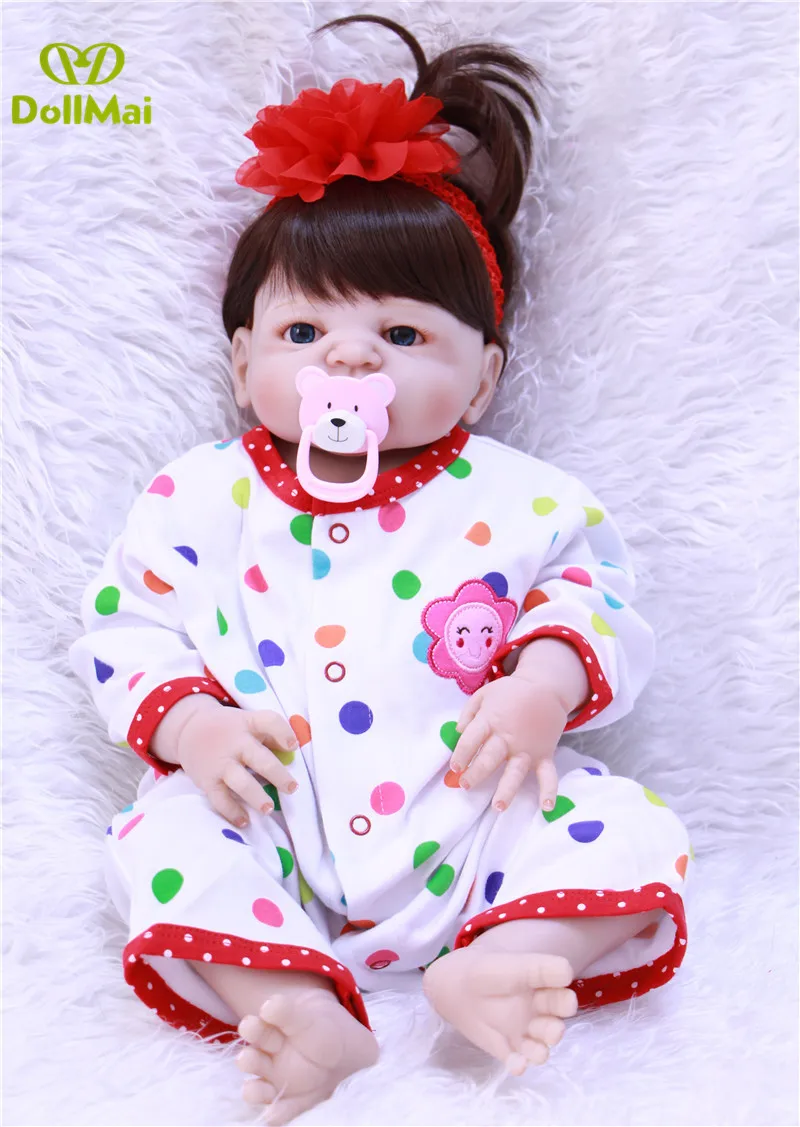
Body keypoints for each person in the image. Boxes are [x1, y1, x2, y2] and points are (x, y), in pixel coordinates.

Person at [69, 13, 693, 1125]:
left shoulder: (520, 498)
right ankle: (294, 1001)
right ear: (243, 362)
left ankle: (509, 955)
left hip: (478, 817)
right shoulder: (201, 495)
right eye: (304, 333)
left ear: (483, 377)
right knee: (158, 840)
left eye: (402, 337)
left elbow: (591, 598)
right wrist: (193, 726)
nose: (351, 355)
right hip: (276, 823)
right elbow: (128, 624)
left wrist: (545, 682)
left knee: (632, 823)